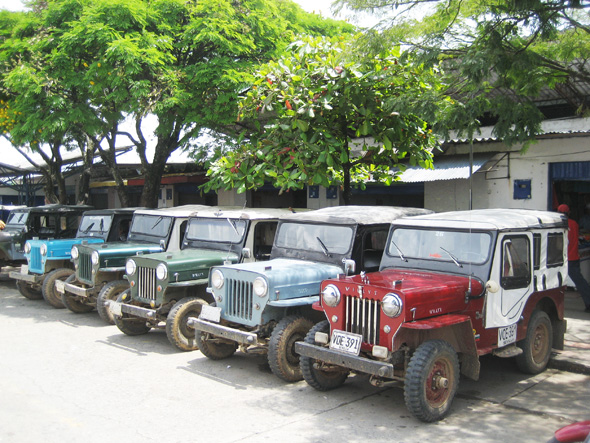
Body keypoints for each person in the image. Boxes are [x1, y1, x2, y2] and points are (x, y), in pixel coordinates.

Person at [558, 204, 590, 313]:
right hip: (573, 258)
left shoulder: (558, 224)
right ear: (569, 212)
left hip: (560, 259)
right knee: (580, 282)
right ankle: (588, 303)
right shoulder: (574, 224)